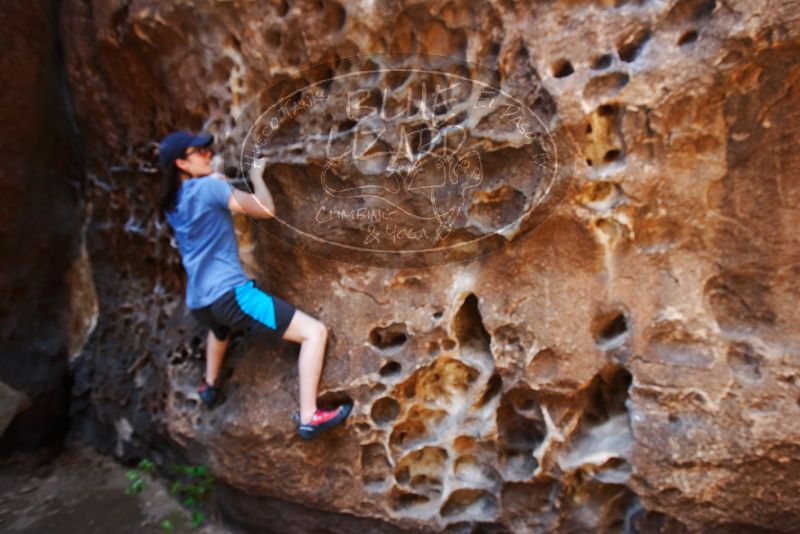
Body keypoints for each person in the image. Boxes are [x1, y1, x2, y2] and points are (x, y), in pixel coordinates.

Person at [158, 130, 350, 440]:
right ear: (181, 163)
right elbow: (264, 209)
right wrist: (257, 176)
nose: (208, 155)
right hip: (231, 296)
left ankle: (210, 384)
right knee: (314, 333)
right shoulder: (208, 189)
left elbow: (205, 205)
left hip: (200, 303)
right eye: (200, 152)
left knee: (219, 329)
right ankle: (309, 416)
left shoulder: (173, 203)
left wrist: (219, 184)